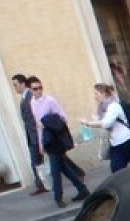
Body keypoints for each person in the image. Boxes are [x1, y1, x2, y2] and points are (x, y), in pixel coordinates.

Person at [28, 78, 89, 207]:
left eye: (40, 87)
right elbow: (38, 127)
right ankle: (82, 189)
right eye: (35, 89)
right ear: (30, 90)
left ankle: (58, 197)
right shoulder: (32, 103)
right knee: (64, 168)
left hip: (56, 139)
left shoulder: (49, 101)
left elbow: (62, 118)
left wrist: (47, 122)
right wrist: (40, 144)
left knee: (55, 170)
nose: (38, 91)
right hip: (47, 140)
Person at [79, 83, 130, 173]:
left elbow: (106, 123)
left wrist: (88, 123)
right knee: (117, 171)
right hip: (116, 144)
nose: (95, 96)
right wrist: (90, 121)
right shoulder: (102, 108)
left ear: (103, 94)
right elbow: (100, 120)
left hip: (127, 141)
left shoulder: (113, 106)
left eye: (96, 93)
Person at [11, 74, 48, 195]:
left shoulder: (29, 97)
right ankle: (41, 183)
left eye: (16, 85)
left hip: (35, 134)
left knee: (36, 160)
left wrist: (38, 134)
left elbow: (34, 117)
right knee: (37, 160)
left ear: (22, 84)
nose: (15, 88)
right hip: (32, 134)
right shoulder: (25, 97)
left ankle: (40, 184)